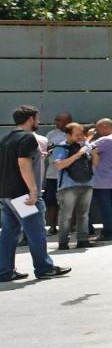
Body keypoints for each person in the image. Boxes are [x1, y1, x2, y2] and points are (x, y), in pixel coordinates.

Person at [1, 105, 70, 282]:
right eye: (37, 119)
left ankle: (4, 270)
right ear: (31, 119)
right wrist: (33, 191)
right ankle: (44, 267)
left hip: (6, 194)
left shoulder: (6, 138)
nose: (38, 122)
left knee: (9, 232)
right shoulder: (28, 138)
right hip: (23, 196)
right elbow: (23, 164)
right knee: (36, 231)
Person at [49, 123, 95, 249]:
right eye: (77, 135)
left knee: (84, 215)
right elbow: (58, 165)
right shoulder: (61, 147)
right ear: (68, 135)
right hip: (67, 186)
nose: (80, 137)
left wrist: (94, 152)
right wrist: (77, 154)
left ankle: (83, 240)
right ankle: (63, 242)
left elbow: (95, 163)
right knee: (66, 215)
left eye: (82, 134)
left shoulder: (85, 146)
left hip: (87, 184)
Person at [88, 118, 112, 241]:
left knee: (106, 206)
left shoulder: (105, 140)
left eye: (98, 128)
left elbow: (86, 150)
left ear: (105, 126)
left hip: (102, 179)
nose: (97, 131)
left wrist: (89, 137)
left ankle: (108, 232)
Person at [43, 111, 71, 235]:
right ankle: (53, 226)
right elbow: (45, 150)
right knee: (51, 201)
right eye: (57, 120)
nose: (57, 122)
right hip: (52, 174)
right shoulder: (51, 134)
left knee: (70, 202)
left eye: (60, 120)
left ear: (68, 121)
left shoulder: (74, 132)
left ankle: (70, 226)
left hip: (69, 175)